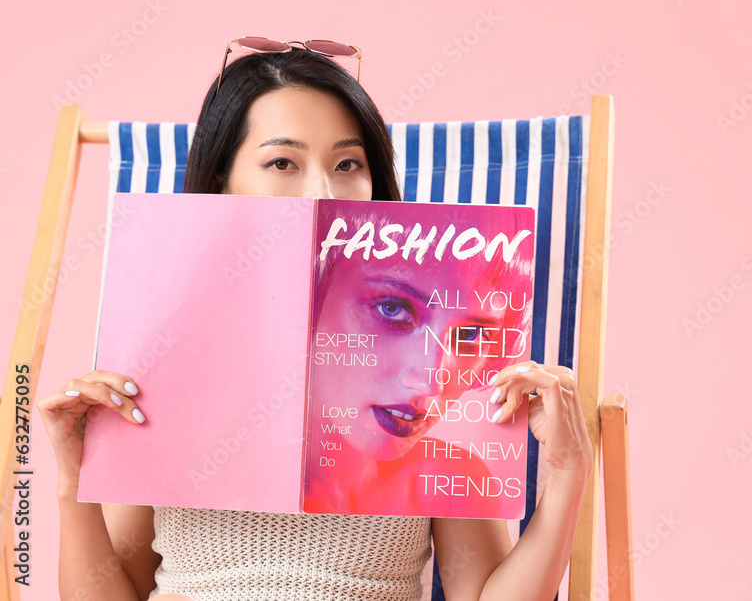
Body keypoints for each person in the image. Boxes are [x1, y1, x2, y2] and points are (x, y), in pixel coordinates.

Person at [38, 40, 592, 601]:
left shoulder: (439, 450)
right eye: (282, 162)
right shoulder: (162, 387)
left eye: (348, 164)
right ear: (221, 182)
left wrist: (570, 472)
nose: (320, 191)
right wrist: (69, 480)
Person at [304, 203, 535, 517]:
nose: (429, 384)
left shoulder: (451, 479)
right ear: (316, 294)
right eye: (392, 309)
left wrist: (570, 470)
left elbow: (488, 571)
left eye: (470, 335)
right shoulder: (223, 458)